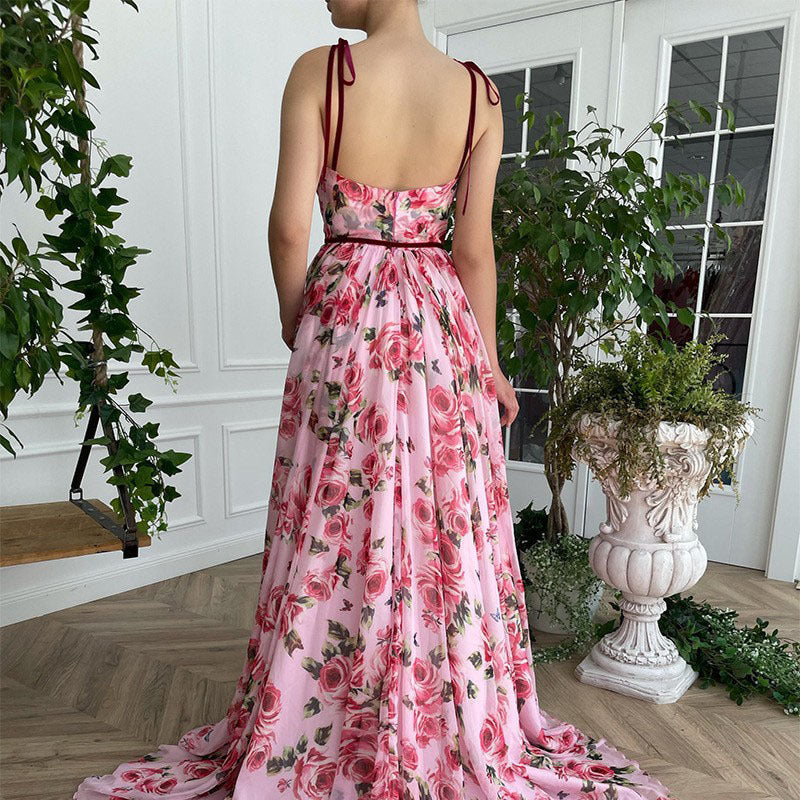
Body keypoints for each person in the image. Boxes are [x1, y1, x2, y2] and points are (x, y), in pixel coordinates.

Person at [74, 2, 673, 798]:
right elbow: (473, 249)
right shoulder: (478, 96)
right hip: (440, 332)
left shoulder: (323, 73)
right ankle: (440, 715)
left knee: (332, 522)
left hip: (345, 320)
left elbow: (290, 229)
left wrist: (301, 313)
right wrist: (489, 364)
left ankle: (317, 714)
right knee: (439, 531)